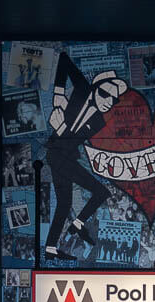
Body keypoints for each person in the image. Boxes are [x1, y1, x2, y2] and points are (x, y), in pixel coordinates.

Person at [43, 53, 127, 261]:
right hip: (57, 154)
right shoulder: (81, 89)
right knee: (100, 191)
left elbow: (70, 139)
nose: (109, 102)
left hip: (65, 156)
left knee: (65, 203)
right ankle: (77, 224)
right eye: (106, 94)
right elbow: (63, 59)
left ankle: (51, 248)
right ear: (96, 87)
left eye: (114, 100)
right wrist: (59, 94)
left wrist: (61, 127)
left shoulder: (99, 121)